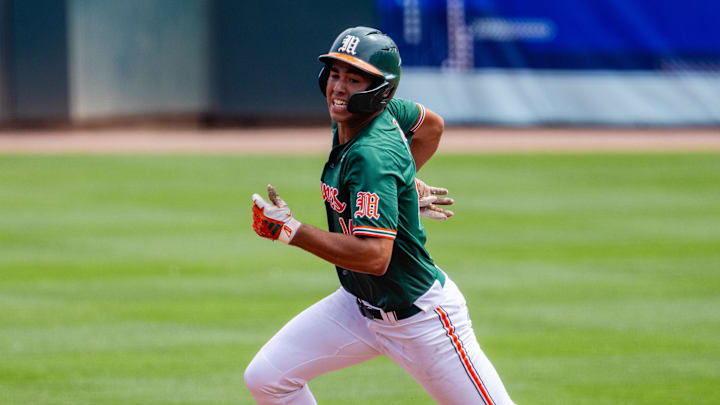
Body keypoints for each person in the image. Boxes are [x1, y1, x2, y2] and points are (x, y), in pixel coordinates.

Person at [244, 26, 515, 405]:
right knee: (266, 378)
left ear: (379, 90)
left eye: (353, 79)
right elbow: (431, 125)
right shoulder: (383, 115)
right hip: (358, 308)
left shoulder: (371, 155)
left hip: (421, 320)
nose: (339, 87)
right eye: (335, 73)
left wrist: (291, 231)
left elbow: (374, 257)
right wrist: (402, 189)